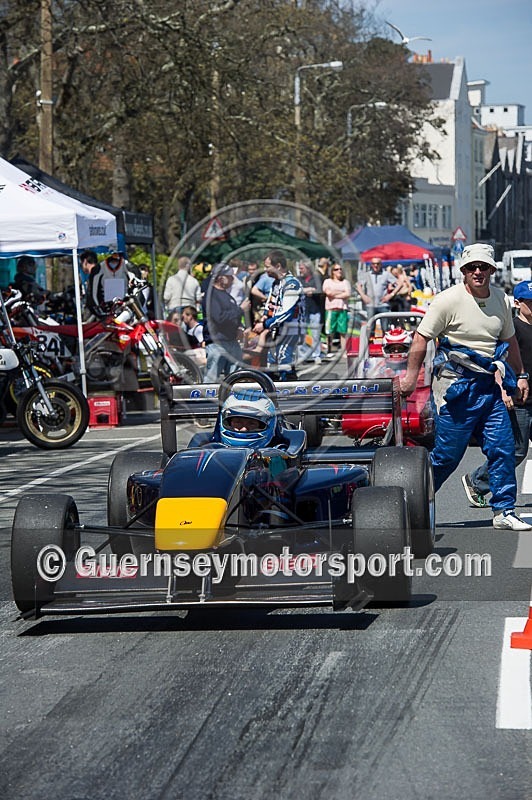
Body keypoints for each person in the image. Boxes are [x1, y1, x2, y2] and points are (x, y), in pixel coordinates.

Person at [400, 242, 532, 531]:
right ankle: (411, 502)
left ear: (492, 270)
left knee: (503, 448)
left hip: (488, 386)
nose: (478, 271)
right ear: (463, 270)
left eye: (484, 267)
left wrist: (521, 376)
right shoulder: (447, 300)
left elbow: (509, 342)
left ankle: (504, 510)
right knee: (448, 456)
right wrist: (411, 377)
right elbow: (421, 338)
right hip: (455, 387)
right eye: (472, 267)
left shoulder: (500, 298)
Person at [462, 279, 532, 509]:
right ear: (518, 303)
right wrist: (502, 389)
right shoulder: (512, 329)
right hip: (519, 399)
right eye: (530, 302)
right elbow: (497, 363)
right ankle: (477, 481)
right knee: (516, 451)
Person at [253, 250, 304, 381]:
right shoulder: (276, 283)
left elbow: (286, 313)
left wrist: (264, 324)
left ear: (278, 266)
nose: (265, 270)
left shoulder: (292, 284)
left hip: (290, 329)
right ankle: (274, 391)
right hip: (276, 329)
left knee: (284, 360)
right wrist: (265, 316)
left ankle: (288, 394)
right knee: (272, 361)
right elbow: (271, 303)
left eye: (267, 266)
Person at [202, 262, 250, 383]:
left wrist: (239, 327)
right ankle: (204, 401)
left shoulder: (227, 295)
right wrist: (240, 309)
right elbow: (219, 318)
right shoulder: (211, 295)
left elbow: (231, 315)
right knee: (211, 379)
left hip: (231, 341)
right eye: (229, 276)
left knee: (236, 378)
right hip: (218, 343)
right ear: (220, 278)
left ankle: (233, 400)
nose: (232, 279)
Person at [86, 251, 130, 317]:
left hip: (124, 309)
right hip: (106, 310)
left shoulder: (127, 266)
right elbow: (93, 293)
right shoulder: (99, 268)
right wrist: (99, 310)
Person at [297, 261, 323, 364]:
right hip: (302, 310)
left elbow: (320, 290)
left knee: (315, 333)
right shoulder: (298, 279)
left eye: (302, 268)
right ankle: (303, 356)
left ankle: (316, 355)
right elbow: (296, 290)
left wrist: (313, 291)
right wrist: (307, 289)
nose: (300, 270)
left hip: (315, 310)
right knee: (301, 333)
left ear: (308, 269)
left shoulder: (316, 278)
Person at [322, 263, 351, 356]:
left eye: (340, 269)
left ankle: (343, 351)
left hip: (342, 309)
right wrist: (341, 293)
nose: (339, 271)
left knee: (343, 331)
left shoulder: (345, 282)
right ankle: (329, 350)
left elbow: (348, 294)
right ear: (332, 271)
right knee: (329, 331)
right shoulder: (327, 281)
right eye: (336, 269)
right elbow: (328, 292)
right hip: (331, 309)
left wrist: (335, 294)